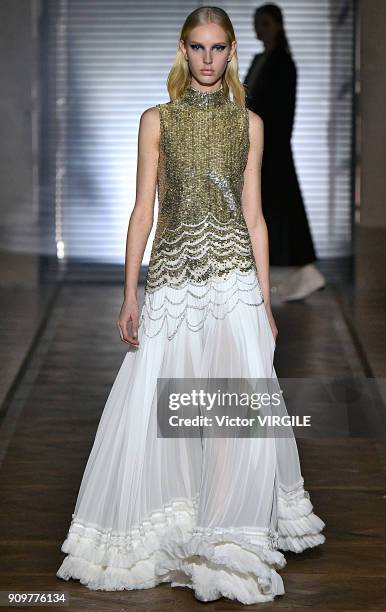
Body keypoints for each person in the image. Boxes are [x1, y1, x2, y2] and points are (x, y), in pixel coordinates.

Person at [56, 6, 326, 605]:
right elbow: (142, 213)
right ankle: (177, 520)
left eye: (218, 48)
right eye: (198, 48)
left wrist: (265, 300)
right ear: (184, 50)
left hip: (232, 280)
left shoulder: (249, 125)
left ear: (232, 53)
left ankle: (229, 529)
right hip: (174, 282)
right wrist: (131, 291)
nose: (208, 59)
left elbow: (254, 218)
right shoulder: (156, 121)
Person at [244, 3, 326, 301]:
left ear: (277, 25)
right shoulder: (259, 61)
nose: (259, 30)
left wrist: (267, 145)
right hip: (258, 146)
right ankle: (286, 273)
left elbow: (280, 112)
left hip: (272, 147)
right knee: (268, 208)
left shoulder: (282, 64)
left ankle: (298, 271)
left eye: (264, 24)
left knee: (279, 209)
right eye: (257, 24)